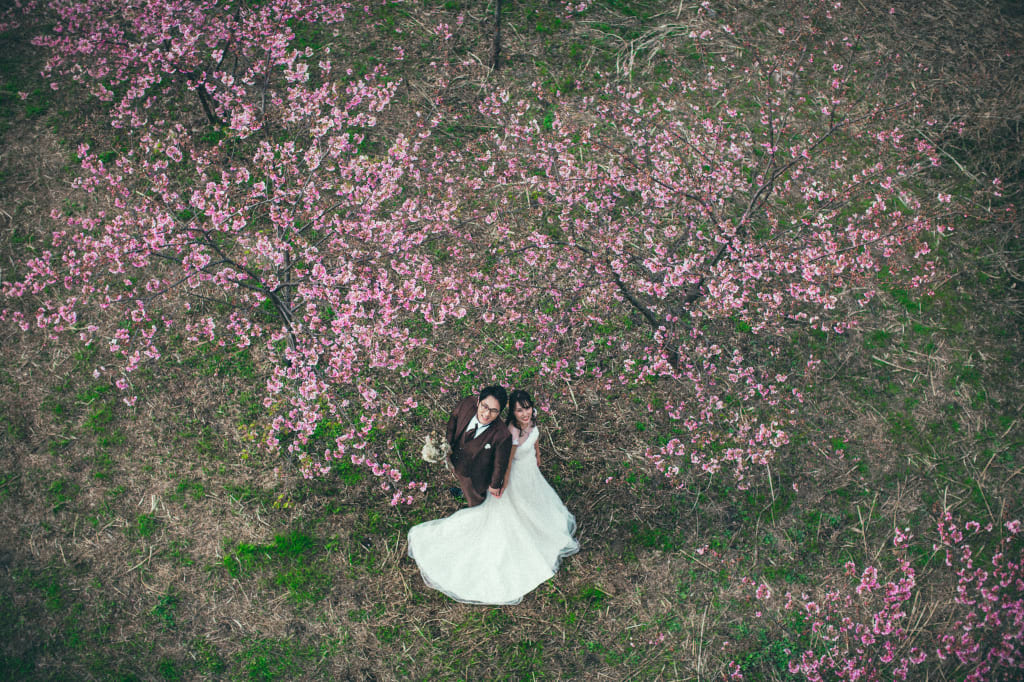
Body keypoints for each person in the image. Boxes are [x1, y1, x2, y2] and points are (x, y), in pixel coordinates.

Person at [407, 389, 579, 605]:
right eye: (485, 407)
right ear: (479, 402)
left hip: (527, 474)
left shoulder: (511, 431)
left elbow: (520, 451)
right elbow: (504, 463)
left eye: (494, 411)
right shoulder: (476, 411)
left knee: (531, 501)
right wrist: (499, 483)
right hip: (504, 473)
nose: (487, 414)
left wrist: (535, 459)